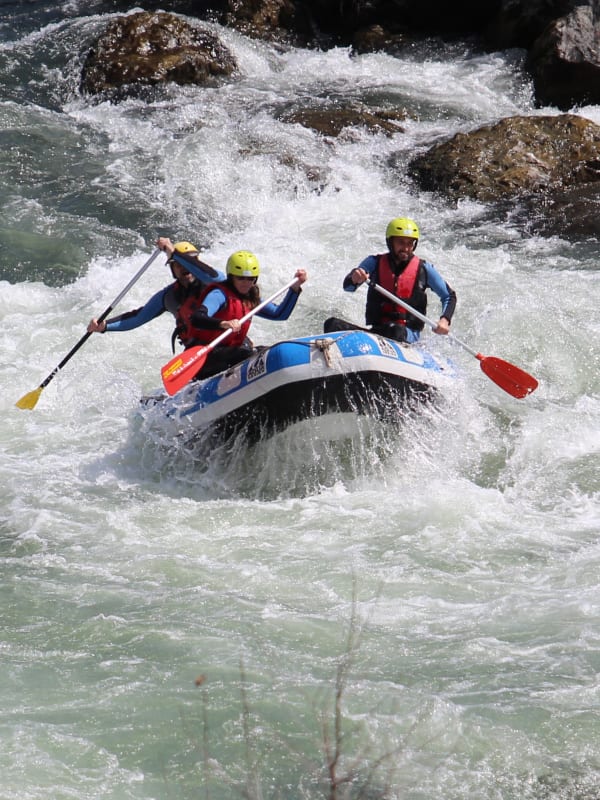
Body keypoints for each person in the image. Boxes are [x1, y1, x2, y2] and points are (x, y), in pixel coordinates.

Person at [177, 250, 307, 379]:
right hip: (205, 356)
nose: (246, 282)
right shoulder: (219, 294)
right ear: (231, 277)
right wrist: (223, 324)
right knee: (245, 353)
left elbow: (279, 314)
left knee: (265, 351)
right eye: (240, 278)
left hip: (230, 353)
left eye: (250, 279)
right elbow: (197, 318)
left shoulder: (250, 298)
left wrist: (294, 289)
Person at [324, 217, 456, 344]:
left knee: (394, 330)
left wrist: (444, 320)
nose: (406, 248)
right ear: (390, 242)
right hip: (377, 332)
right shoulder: (374, 262)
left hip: (406, 334)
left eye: (410, 243)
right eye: (401, 242)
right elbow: (348, 287)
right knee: (332, 324)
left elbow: (449, 296)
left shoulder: (424, 269)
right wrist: (355, 278)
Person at [87, 237, 226, 350]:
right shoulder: (169, 297)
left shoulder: (215, 282)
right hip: (198, 352)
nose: (185, 269)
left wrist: (174, 253)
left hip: (228, 343)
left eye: (188, 264)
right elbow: (138, 317)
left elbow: (211, 276)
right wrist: (105, 325)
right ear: (172, 269)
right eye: (178, 265)